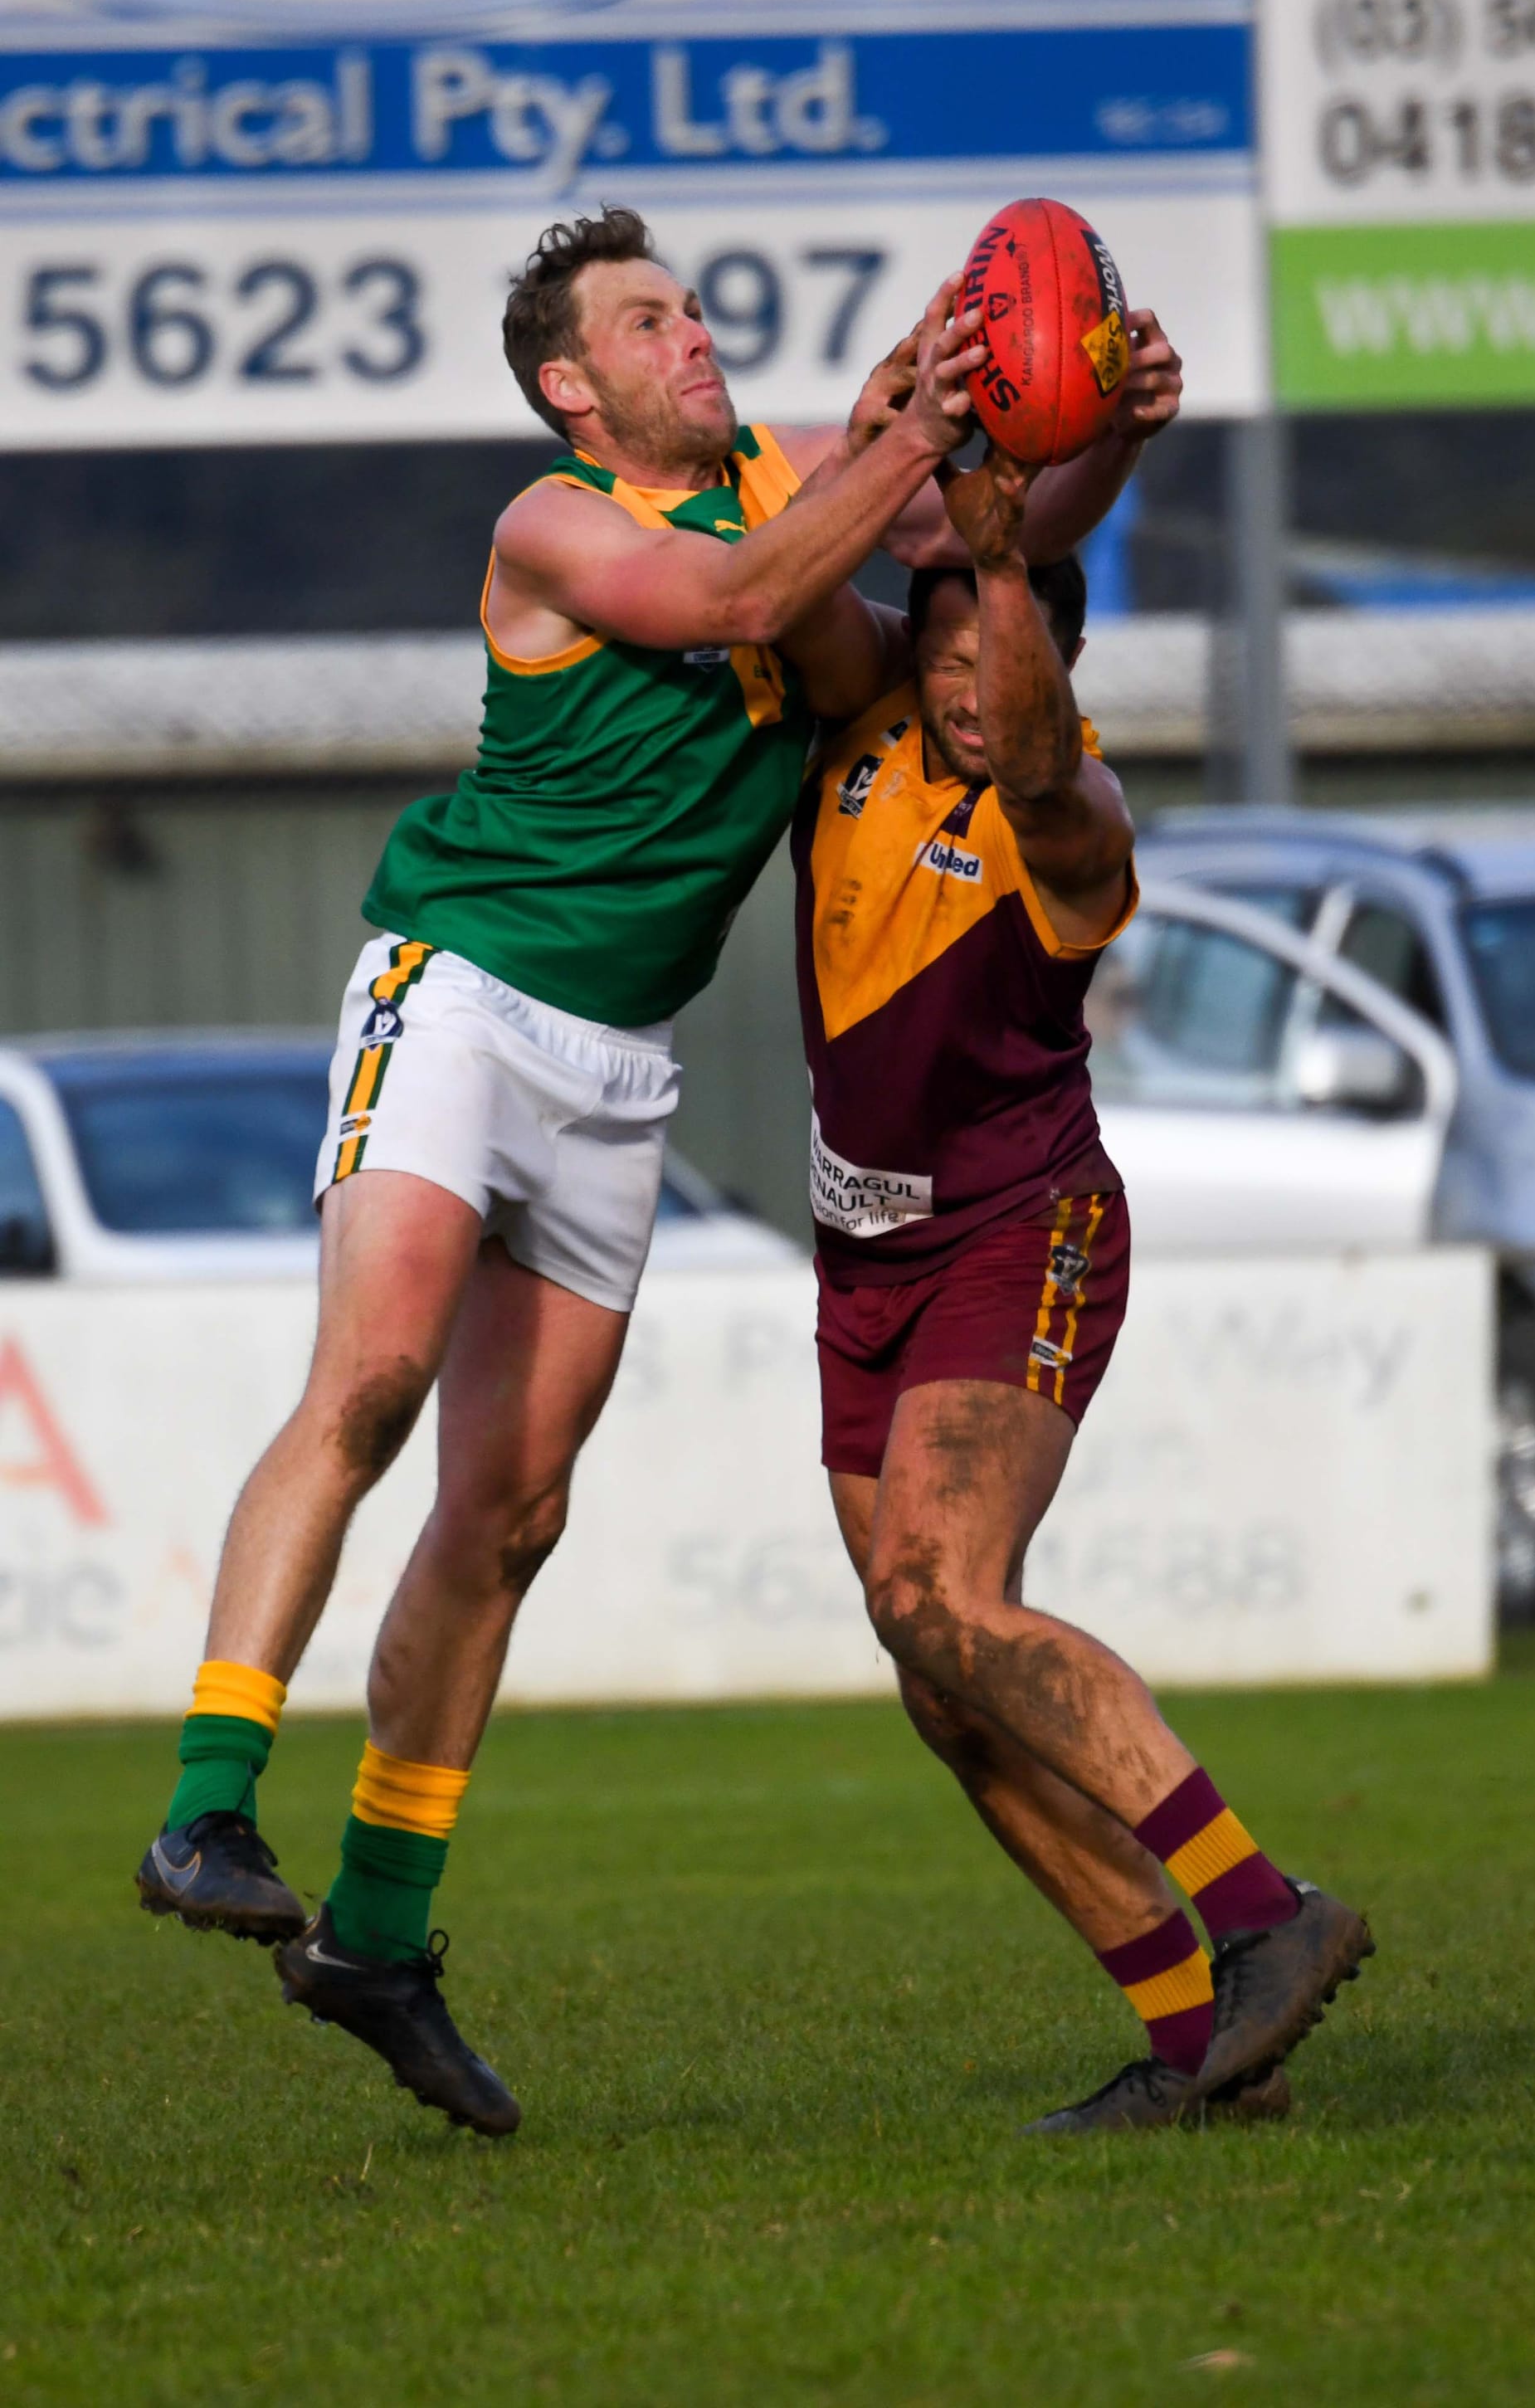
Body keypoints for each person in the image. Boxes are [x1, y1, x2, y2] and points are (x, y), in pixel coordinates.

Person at [134, 204, 1182, 2138]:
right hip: (462, 991)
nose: (689, 334)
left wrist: (1097, 432)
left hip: (617, 1075)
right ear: (570, 384)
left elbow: (966, 572)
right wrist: (898, 426)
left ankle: (377, 1936)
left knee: (511, 1514)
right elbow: (738, 600)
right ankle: (208, 1803)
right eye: (644, 320)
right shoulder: (556, 523)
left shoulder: (794, 506)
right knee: (374, 1375)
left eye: (692, 307)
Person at [788, 444, 1373, 2130]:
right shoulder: (859, 727)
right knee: (942, 1687)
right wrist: (972, 441)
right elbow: (791, 565)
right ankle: (1204, 2058)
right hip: (861, 1265)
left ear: (1067, 657)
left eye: (1015, 655)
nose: (979, 690)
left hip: (1019, 1232)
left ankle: (1266, 1911)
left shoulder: (1072, 815)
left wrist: (1001, 569)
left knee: (935, 1593)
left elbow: (1042, 764)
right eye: (952, 656)